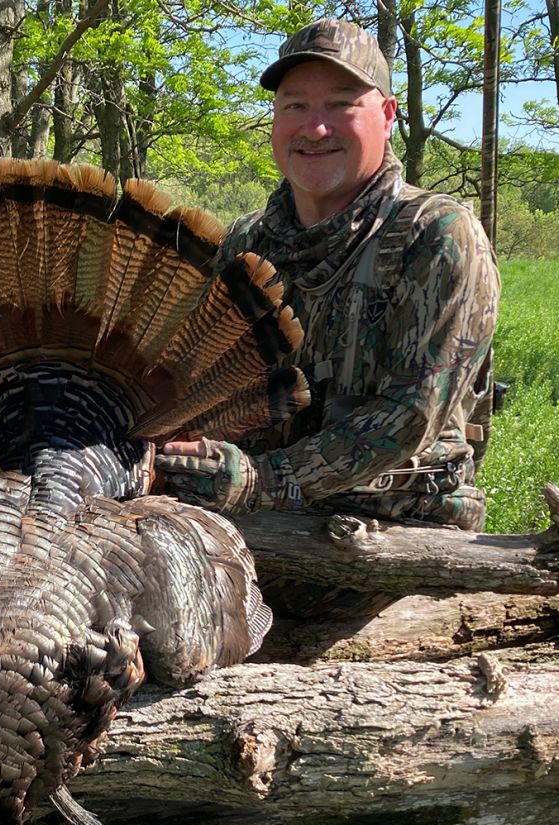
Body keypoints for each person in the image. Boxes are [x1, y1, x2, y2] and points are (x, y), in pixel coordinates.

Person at [155, 18, 499, 625]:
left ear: (388, 114)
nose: (315, 128)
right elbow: (200, 382)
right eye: (296, 106)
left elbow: (408, 419)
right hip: (257, 517)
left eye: (341, 106)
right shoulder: (245, 240)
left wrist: (262, 480)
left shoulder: (437, 235)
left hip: (389, 530)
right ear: (275, 121)